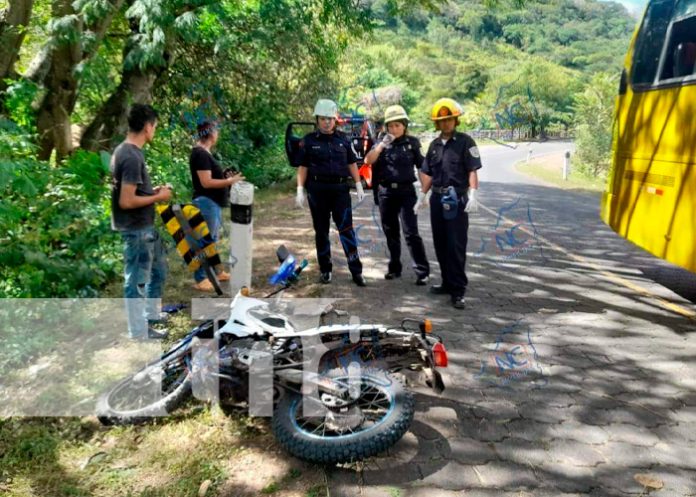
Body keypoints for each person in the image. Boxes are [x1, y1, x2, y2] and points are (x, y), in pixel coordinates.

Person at [110, 104, 171, 339]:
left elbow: (131, 192)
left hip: (145, 226)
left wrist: (150, 191)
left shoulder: (125, 152)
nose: (154, 130)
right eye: (154, 126)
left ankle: (152, 313)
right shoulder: (131, 155)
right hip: (135, 229)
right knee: (137, 281)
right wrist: (159, 197)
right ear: (147, 127)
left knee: (159, 271)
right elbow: (126, 201)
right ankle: (138, 331)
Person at [295, 98, 367, 286]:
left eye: (330, 118)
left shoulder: (343, 139)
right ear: (317, 120)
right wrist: (300, 189)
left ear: (335, 120)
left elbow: (351, 162)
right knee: (321, 232)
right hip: (317, 191)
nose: (327, 122)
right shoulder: (308, 141)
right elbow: (303, 167)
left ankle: (356, 270)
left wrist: (358, 184)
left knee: (346, 230)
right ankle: (325, 270)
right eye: (323, 118)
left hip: (340, 191)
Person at [418, 98, 481, 309]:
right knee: (440, 243)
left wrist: (473, 194)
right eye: (442, 120)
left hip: (457, 199)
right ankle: (446, 282)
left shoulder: (466, 142)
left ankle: (458, 290)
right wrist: (422, 196)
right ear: (437, 123)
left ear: (456, 120)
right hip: (437, 199)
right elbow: (428, 173)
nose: (446, 123)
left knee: (456, 245)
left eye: (449, 119)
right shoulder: (434, 146)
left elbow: (472, 170)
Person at [364, 105, 430, 285]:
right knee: (391, 232)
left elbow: (422, 168)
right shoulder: (381, 143)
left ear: (404, 126)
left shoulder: (412, 143)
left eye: (397, 126)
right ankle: (394, 268)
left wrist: (425, 193)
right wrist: (380, 146)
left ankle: (422, 271)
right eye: (390, 126)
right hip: (386, 193)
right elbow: (368, 160)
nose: (394, 129)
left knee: (411, 232)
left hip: (406, 192)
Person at [189, 120, 245, 292]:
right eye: (217, 131)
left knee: (211, 240)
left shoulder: (205, 153)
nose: (218, 134)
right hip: (205, 203)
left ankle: (216, 271)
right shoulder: (200, 154)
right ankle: (200, 278)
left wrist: (225, 176)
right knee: (203, 241)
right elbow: (205, 182)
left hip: (212, 203)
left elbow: (212, 177)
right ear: (211, 134)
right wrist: (229, 181)